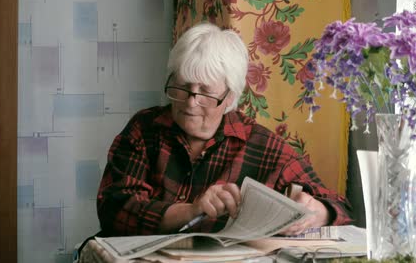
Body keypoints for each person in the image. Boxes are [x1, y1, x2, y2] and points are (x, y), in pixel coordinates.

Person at [96, 22, 353, 236]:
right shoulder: (145, 129)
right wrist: (191, 210)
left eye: (206, 92)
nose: (190, 102)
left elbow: (340, 206)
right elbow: (112, 208)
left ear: (230, 97)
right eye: (182, 86)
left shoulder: (262, 145)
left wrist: (317, 212)